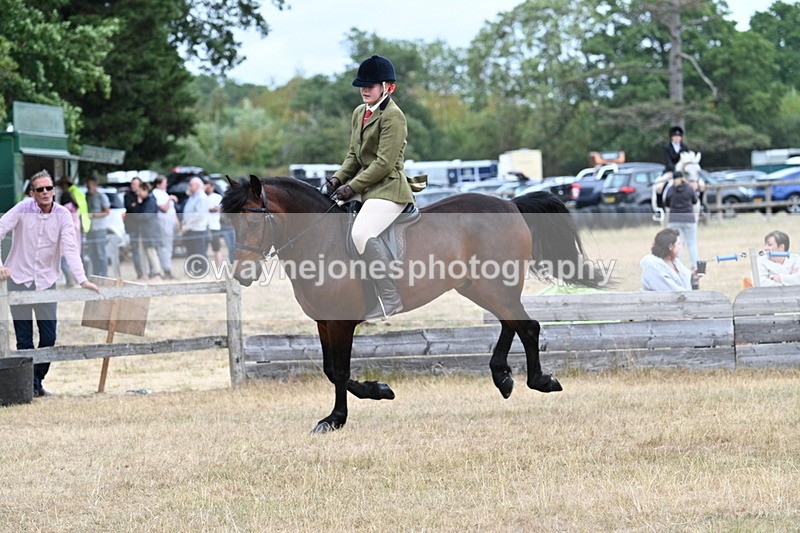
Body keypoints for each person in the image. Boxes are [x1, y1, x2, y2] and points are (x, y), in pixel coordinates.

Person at [325, 54, 415, 318]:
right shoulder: (359, 113)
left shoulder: (394, 117)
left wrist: (351, 188)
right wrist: (336, 179)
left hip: (388, 189)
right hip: (366, 188)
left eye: (371, 85)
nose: (364, 90)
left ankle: (390, 297)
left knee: (361, 234)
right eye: (362, 85)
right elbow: (353, 155)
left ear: (388, 87)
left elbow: (384, 163)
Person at [0, 170, 99, 397]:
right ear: (33, 193)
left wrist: (82, 279)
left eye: (48, 188)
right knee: (24, 339)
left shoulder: (63, 214)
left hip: (46, 281)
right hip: (19, 280)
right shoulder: (22, 209)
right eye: (40, 189)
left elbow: (70, 248)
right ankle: (30, 388)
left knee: (49, 338)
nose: (45, 192)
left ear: (54, 190)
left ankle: (35, 380)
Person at [665, 172, 699, 269]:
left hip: (674, 220)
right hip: (689, 219)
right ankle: (695, 265)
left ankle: (678, 266)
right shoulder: (689, 188)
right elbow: (695, 201)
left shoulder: (670, 190)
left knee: (677, 244)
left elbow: (667, 203)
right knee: (691, 243)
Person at [136, 182, 164, 281]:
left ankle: (158, 273)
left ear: (145, 190)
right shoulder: (142, 202)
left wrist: (137, 217)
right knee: (142, 253)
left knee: (151, 252)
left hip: (150, 232)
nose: (138, 193)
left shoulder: (151, 201)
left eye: (139, 191)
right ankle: (145, 274)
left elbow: (147, 215)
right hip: (143, 231)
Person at [181, 176, 210, 272]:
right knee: (191, 252)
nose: (189, 187)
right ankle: (193, 271)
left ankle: (201, 271)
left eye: (191, 185)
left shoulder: (201, 196)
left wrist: (188, 225)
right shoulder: (193, 196)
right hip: (190, 229)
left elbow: (199, 214)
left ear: (197, 185)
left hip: (197, 229)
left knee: (199, 252)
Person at [151, 175, 178, 279]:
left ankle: (167, 269)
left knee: (168, 247)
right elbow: (164, 208)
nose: (166, 184)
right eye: (164, 183)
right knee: (164, 247)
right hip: (163, 223)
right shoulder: (156, 193)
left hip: (169, 223)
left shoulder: (164, 193)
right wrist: (170, 199)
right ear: (158, 184)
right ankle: (165, 270)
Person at [85, 176, 110, 277]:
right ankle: (96, 273)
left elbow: (107, 211)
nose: (87, 187)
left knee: (101, 253)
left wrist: (94, 215)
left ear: (95, 186)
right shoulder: (86, 196)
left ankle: (104, 274)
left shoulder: (101, 196)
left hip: (100, 228)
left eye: (89, 185)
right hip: (90, 229)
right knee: (92, 253)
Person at [124, 177, 145, 280]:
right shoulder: (127, 196)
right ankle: (140, 273)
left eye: (135, 184)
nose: (133, 186)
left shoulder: (144, 195)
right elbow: (131, 208)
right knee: (135, 250)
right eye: (132, 184)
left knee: (145, 250)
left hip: (143, 227)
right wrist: (138, 202)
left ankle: (148, 272)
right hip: (132, 227)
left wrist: (137, 203)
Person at [204, 179, 225, 267]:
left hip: (214, 226)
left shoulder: (217, 197)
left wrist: (207, 209)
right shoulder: (202, 197)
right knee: (203, 249)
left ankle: (218, 267)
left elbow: (218, 209)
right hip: (204, 226)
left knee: (216, 248)